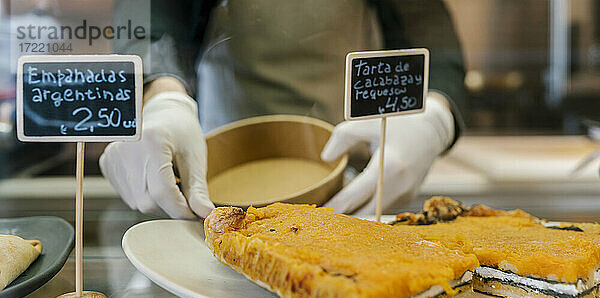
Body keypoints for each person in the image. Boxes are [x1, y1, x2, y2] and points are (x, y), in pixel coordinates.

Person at [100, 0, 466, 219]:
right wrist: (161, 97)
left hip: (340, 174)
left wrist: (432, 117)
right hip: (216, 176)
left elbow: (429, 34)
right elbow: (151, 16)